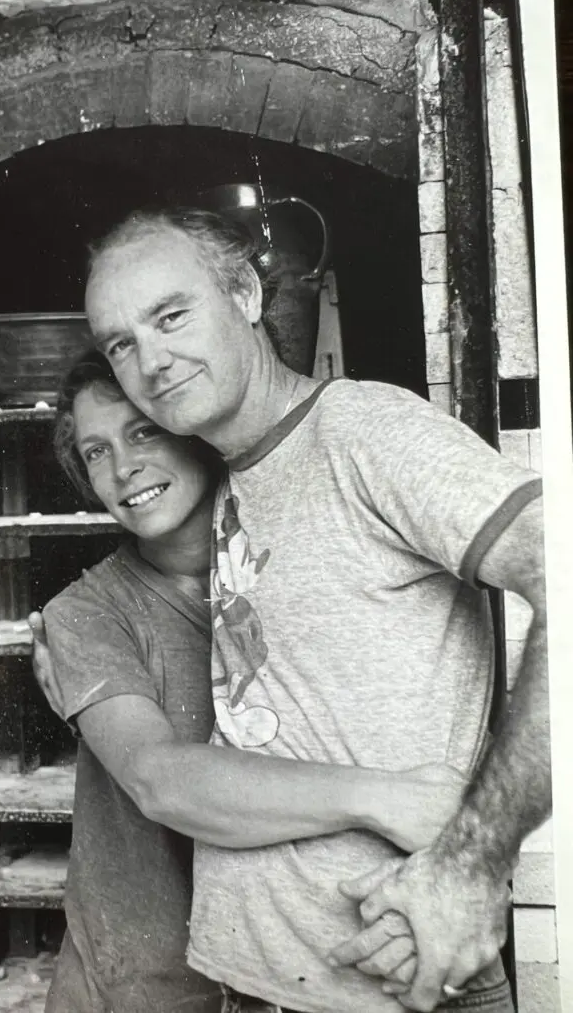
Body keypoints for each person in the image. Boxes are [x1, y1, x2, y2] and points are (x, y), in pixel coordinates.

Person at [73, 206, 548, 1013]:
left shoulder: (364, 431)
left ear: (246, 295)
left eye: (171, 316)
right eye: (121, 343)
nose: (150, 361)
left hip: (394, 988)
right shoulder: (231, 476)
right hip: (254, 983)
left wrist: (473, 863)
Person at [33, 349, 468, 1013]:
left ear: (194, 429)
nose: (123, 468)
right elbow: (158, 779)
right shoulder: (87, 613)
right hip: (140, 984)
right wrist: (386, 798)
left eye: (143, 431)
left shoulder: (295, 570)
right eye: (96, 451)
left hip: (294, 970)